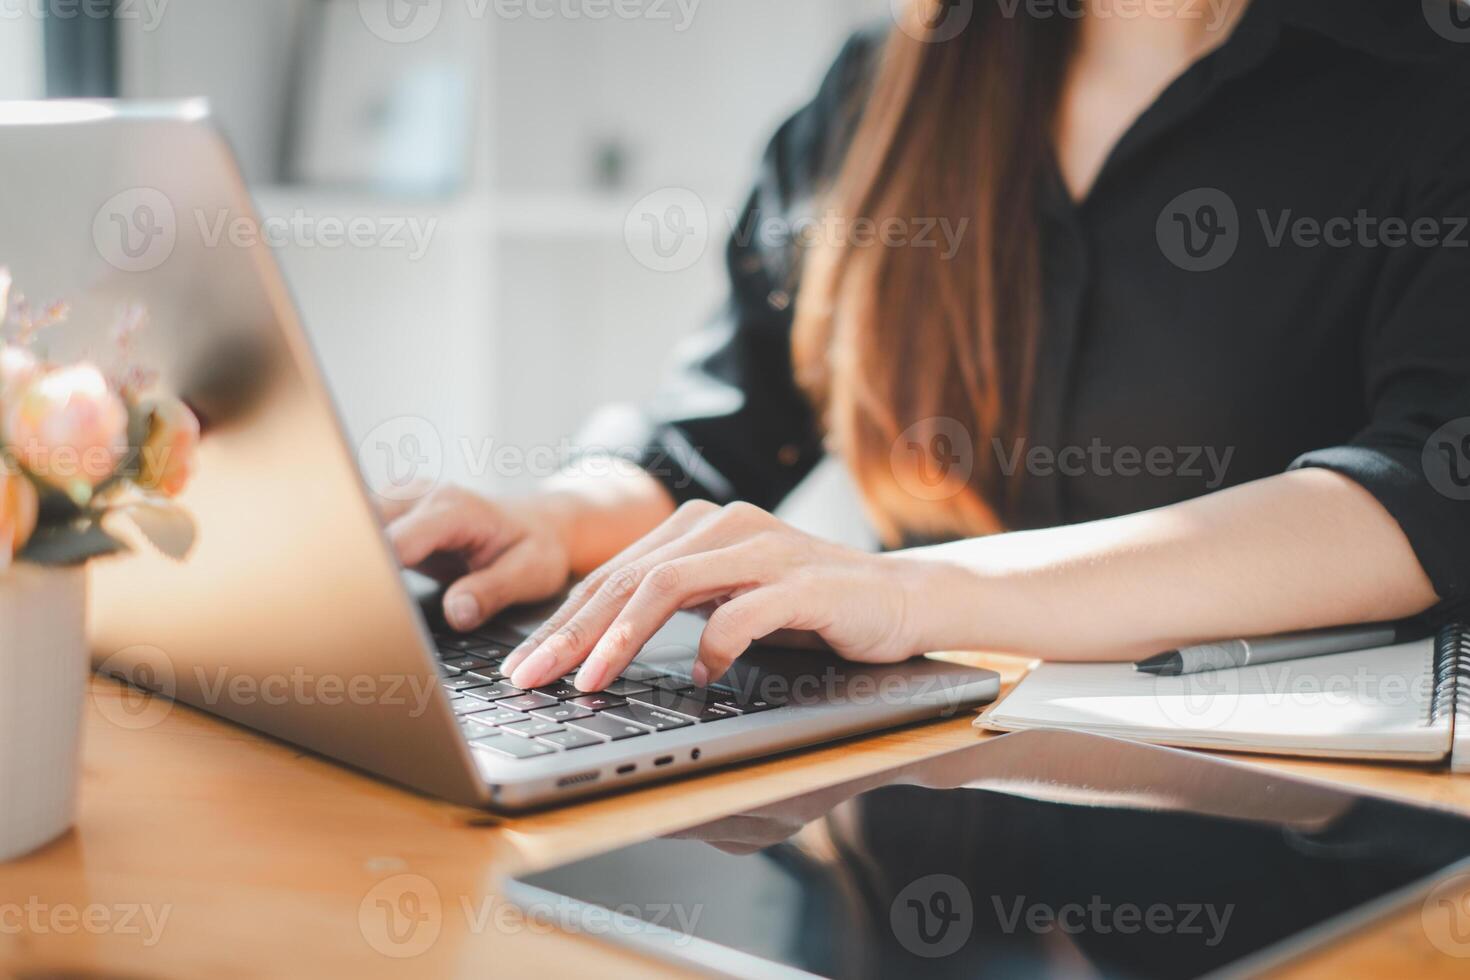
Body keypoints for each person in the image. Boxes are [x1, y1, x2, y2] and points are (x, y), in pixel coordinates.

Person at [383, 0, 1470, 694]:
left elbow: (1431, 484)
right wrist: (560, 515)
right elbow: (729, 421)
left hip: (1297, 832)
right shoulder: (882, 85)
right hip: (923, 810)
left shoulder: (1429, 74)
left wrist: (911, 592)